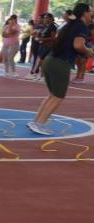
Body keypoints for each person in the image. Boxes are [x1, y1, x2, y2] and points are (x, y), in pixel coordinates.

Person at [28, 3, 92, 135]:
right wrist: (89, 51)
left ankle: (36, 121)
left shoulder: (69, 25)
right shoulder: (82, 27)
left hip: (50, 60)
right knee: (58, 97)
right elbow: (78, 45)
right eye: (91, 11)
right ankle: (40, 123)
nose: (92, 14)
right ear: (85, 13)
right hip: (61, 63)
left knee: (52, 95)